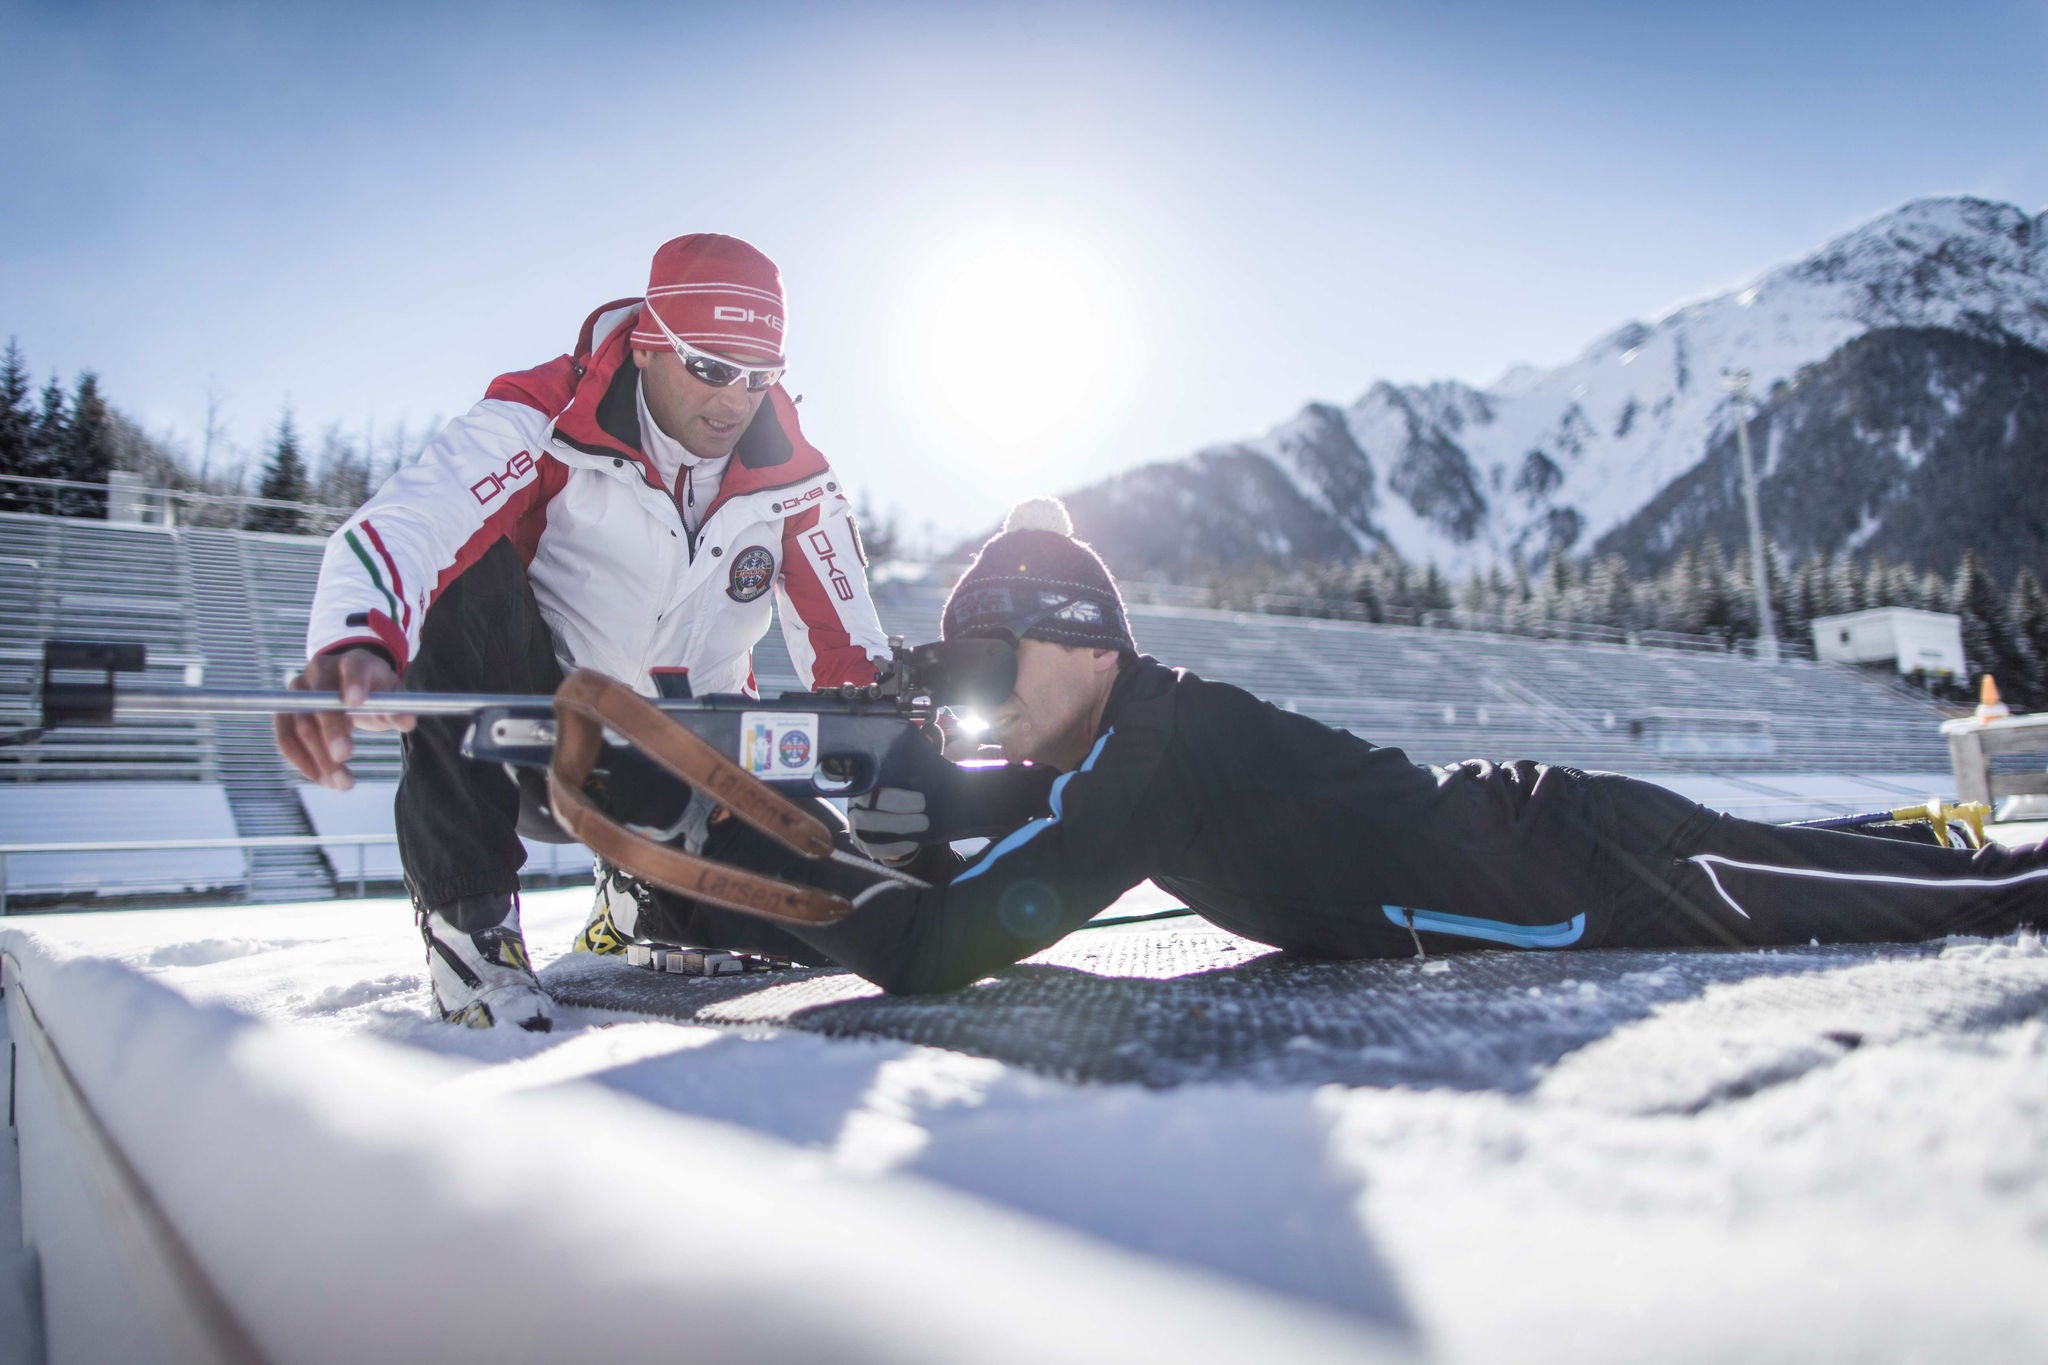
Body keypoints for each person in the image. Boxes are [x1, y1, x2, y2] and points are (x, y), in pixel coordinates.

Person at [601, 496, 2048, 995]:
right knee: (1873, 860)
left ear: (1089, 647)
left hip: (1587, 863)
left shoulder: (1137, 757)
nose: (981, 697)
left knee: (1962, 905)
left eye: (999, 661)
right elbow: (960, 816)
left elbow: (929, 946)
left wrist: (728, 860)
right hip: (1557, 852)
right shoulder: (1121, 741)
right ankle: (1938, 831)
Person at [274, 234, 891, 1030]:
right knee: (464, 568)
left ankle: (648, 905)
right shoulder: (544, 415)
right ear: (649, 345)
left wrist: (894, 751)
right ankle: (472, 928)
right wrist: (355, 638)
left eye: (759, 375)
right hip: (536, 739)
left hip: (696, 763)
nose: (737, 400)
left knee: (835, 920)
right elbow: (413, 518)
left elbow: (852, 648)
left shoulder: (795, 475)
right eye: (710, 366)